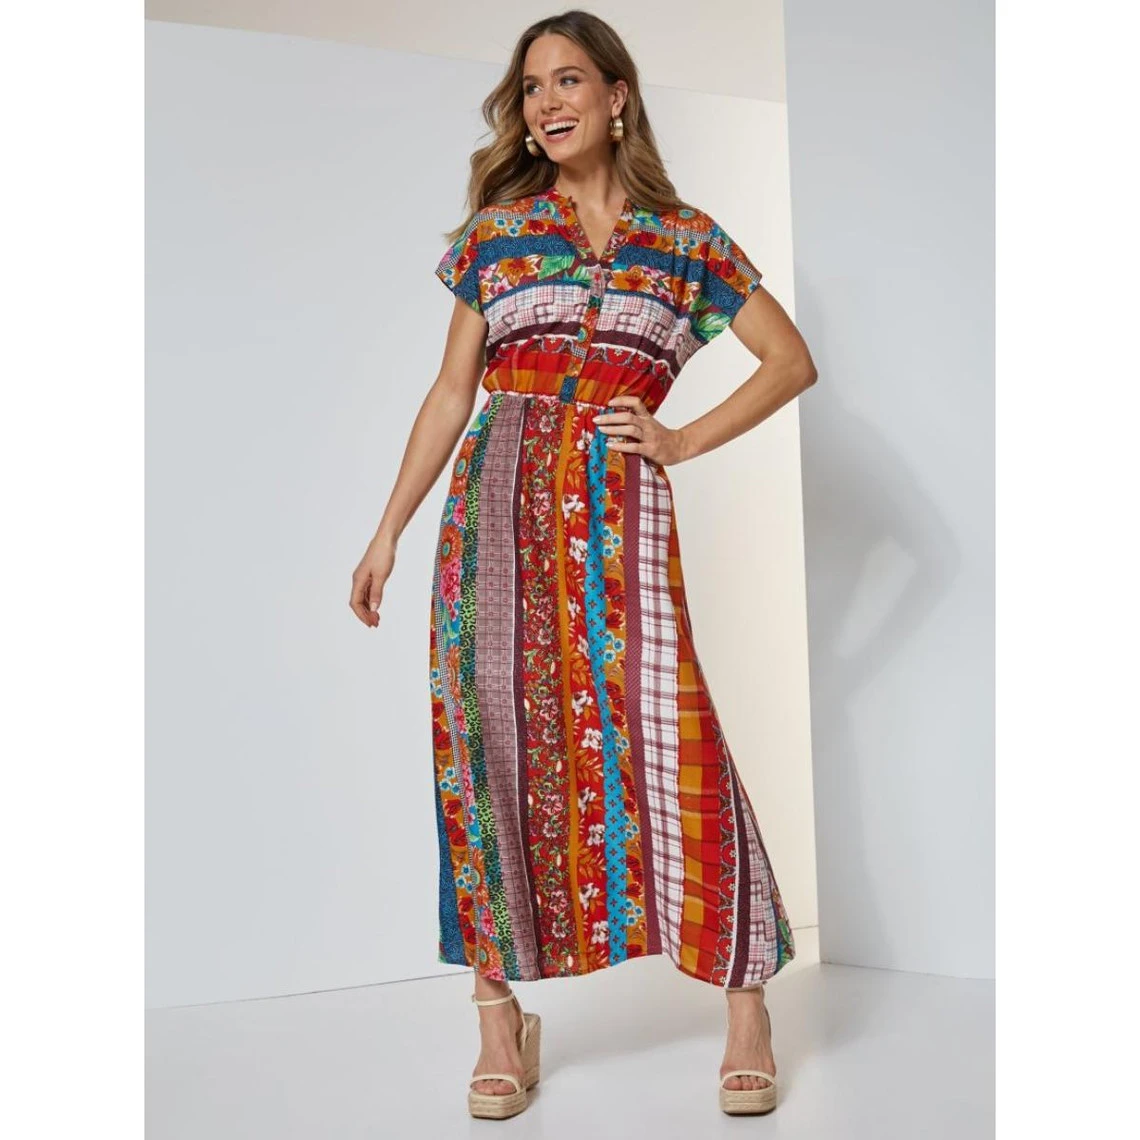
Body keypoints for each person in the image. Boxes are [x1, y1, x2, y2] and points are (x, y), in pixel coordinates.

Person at [349, 8, 817, 1121]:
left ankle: (746, 1000)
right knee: (487, 747)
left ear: (617, 95)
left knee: (671, 730)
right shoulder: (499, 233)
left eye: (568, 80)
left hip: (618, 513)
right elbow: (451, 392)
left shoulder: (686, 239)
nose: (547, 102)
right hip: (492, 511)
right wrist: (388, 528)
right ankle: (497, 1017)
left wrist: (683, 440)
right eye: (530, 88)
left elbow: (789, 360)